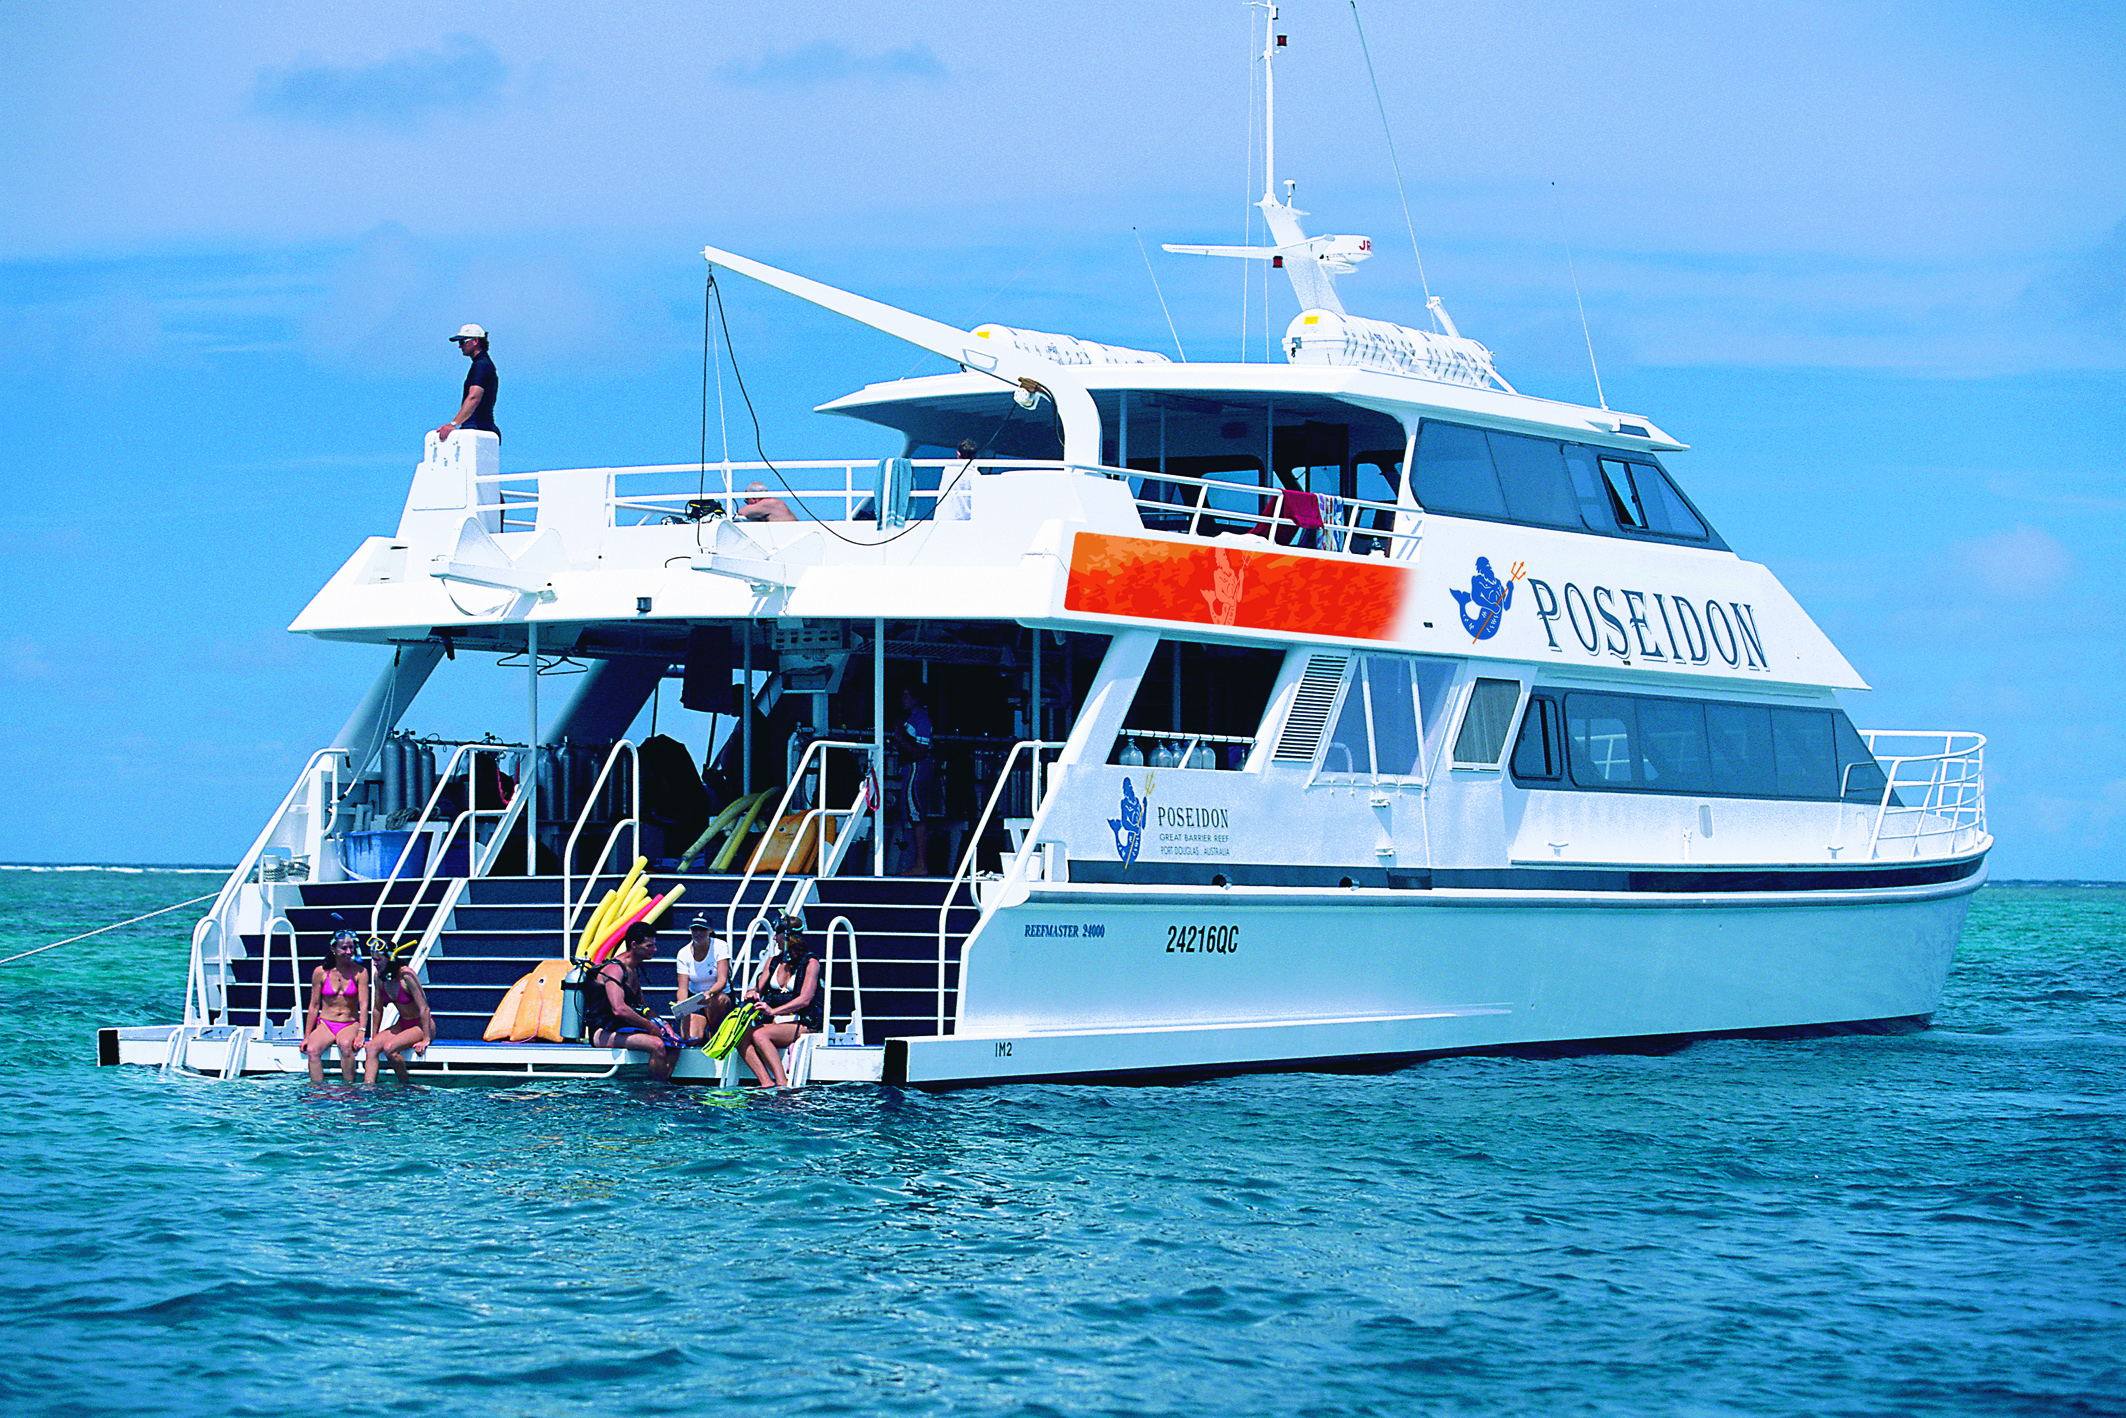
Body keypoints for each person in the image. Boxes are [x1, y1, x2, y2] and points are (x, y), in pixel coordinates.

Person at [581, 920, 675, 1081]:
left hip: (624, 1029)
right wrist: (651, 1027)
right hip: (603, 1032)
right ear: (634, 945)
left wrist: (664, 1025)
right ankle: (657, 1092)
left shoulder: (633, 969)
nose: (655, 949)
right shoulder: (614, 970)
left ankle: (663, 1084)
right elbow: (619, 1009)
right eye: (649, 946)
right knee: (657, 1045)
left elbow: (643, 1007)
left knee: (674, 1043)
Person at [737, 913, 822, 1087]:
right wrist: (752, 993)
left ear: (789, 936)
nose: (774, 938)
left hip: (802, 1023)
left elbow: (805, 1000)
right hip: (776, 1023)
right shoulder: (773, 962)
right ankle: (766, 1082)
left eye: (778, 934)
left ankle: (782, 1084)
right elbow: (757, 988)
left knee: (760, 1034)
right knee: (740, 1037)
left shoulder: (811, 963)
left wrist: (773, 1011)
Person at [363, 941, 436, 1086]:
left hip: (421, 1025)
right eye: (373, 959)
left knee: (390, 1048)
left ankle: (405, 1085)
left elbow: (424, 1008)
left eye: (378, 959)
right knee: (371, 1047)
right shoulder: (379, 977)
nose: (374, 964)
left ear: (390, 957)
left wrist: (426, 1039)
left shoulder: (407, 976)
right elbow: (377, 1008)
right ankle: (368, 1088)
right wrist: (374, 1036)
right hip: (403, 1024)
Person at [302, 929, 369, 1084]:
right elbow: (314, 1005)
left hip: (349, 1023)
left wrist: (361, 1033)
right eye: (344, 948)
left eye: (351, 948)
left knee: (346, 1045)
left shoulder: (360, 972)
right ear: (333, 949)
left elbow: (364, 1005)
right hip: (326, 1023)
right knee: (312, 1049)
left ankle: (348, 1089)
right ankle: (318, 1092)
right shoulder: (320, 972)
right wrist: (307, 1036)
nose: (349, 951)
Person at [898, 684, 944, 875]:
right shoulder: (911, 718)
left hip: (918, 768)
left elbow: (921, 750)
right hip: (909, 768)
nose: (903, 698)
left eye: (907, 694)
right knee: (912, 814)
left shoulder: (922, 719)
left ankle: (921, 865)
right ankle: (917, 863)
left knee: (917, 815)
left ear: (916, 698)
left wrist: (900, 738)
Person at [673, 913, 732, 1045]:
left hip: (718, 997)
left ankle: (714, 1034)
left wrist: (709, 993)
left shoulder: (720, 946)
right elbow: (682, 988)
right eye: (695, 929)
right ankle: (704, 1037)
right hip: (697, 1000)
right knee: (691, 1039)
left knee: (718, 1000)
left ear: (710, 930)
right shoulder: (683, 953)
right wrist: (681, 1004)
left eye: (703, 929)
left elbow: (722, 981)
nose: (698, 933)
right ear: (690, 930)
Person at [436, 323, 498, 442]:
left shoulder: (481, 365)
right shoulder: (483, 364)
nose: (460, 347)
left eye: (462, 342)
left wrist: (453, 424)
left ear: (475, 341)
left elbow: (474, 397)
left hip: (477, 427)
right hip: (481, 427)